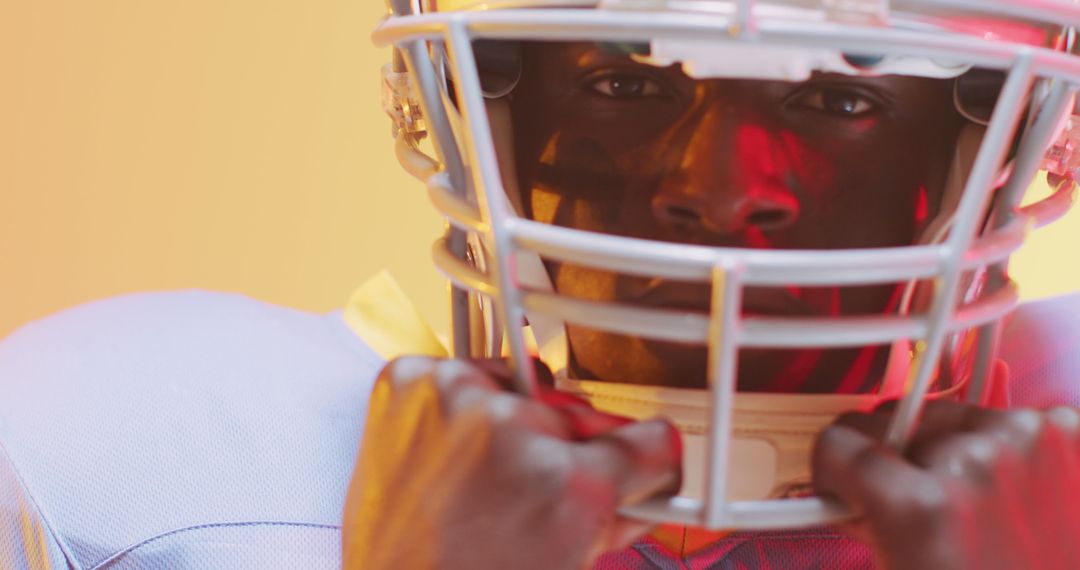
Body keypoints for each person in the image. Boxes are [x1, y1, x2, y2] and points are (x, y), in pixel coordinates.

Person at [1, 3, 1079, 570]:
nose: (724, 193)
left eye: (843, 103)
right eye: (623, 83)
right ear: (483, 124)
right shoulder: (114, 459)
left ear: (994, 149)